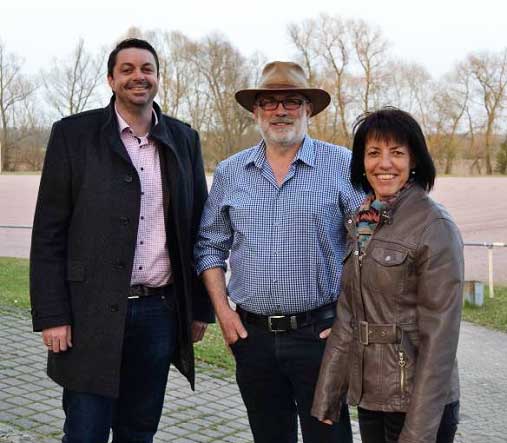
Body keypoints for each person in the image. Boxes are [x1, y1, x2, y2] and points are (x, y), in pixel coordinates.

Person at [29, 38, 214, 443]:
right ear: (111, 79)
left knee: (139, 430)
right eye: (127, 69)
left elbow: (201, 228)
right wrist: (52, 315)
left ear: (158, 79)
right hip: (88, 313)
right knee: (85, 430)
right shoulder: (73, 136)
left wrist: (199, 307)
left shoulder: (184, 139)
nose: (138, 76)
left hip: (159, 314)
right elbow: (48, 233)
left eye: (147, 68)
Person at [194, 61, 364, 443]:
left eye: (292, 101)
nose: (280, 111)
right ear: (256, 112)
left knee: (329, 438)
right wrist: (222, 312)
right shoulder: (230, 172)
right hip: (252, 338)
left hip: (320, 335)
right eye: (269, 103)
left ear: (308, 110)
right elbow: (209, 245)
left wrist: (350, 319)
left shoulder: (342, 165)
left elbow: (368, 246)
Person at [311, 107, 463, 443]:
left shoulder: (434, 226)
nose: (384, 164)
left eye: (396, 153)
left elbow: (441, 339)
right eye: (373, 153)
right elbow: (349, 315)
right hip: (373, 396)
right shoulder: (362, 221)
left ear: (414, 161)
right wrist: (328, 396)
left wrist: (419, 430)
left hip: (418, 403)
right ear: (361, 162)